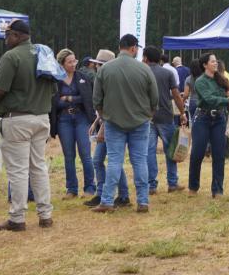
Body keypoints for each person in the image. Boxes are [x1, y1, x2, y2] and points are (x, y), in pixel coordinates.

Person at [0, 20, 57, 231]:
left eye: (7, 35)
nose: (5, 39)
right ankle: (45, 214)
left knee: (18, 171)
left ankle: (17, 218)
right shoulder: (44, 54)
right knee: (39, 167)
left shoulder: (11, 57)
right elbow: (53, 88)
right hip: (41, 117)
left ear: (17, 36)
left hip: (17, 118)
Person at [90, 34, 158, 213]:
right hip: (140, 123)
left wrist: (105, 116)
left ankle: (107, 201)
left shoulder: (105, 69)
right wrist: (147, 116)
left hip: (114, 123)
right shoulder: (145, 70)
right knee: (140, 161)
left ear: (120, 47)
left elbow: (96, 99)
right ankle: (143, 202)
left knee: (114, 161)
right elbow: (154, 99)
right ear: (134, 48)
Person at [83, 49, 132, 208]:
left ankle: (117, 195)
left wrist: (103, 127)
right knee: (107, 161)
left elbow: (110, 106)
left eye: (98, 64)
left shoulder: (107, 79)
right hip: (107, 123)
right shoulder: (104, 77)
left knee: (107, 161)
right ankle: (112, 194)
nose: (96, 67)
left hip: (111, 125)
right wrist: (97, 121)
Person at [49, 48, 96, 198]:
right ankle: (71, 189)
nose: (73, 64)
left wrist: (69, 99)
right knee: (69, 156)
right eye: (69, 62)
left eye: (74, 61)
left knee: (85, 154)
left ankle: (90, 187)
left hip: (81, 118)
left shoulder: (82, 77)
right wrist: (70, 100)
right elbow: (54, 102)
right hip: (64, 120)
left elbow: (87, 98)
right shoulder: (55, 81)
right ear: (61, 64)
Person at [144, 46, 187, 194]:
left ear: (145, 58)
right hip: (165, 115)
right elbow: (176, 95)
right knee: (171, 149)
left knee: (149, 151)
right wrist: (182, 112)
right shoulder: (167, 73)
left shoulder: (142, 72)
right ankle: (172, 183)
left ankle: (151, 185)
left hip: (147, 117)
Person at [187, 53, 229, 197]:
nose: (215, 63)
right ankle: (193, 187)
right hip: (202, 119)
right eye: (212, 62)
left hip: (219, 119)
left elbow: (227, 95)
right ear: (205, 65)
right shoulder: (200, 82)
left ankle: (217, 190)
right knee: (197, 153)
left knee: (219, 155)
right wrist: (228, 101)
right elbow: (209, 99)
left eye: (216, 61)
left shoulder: (221, 79)